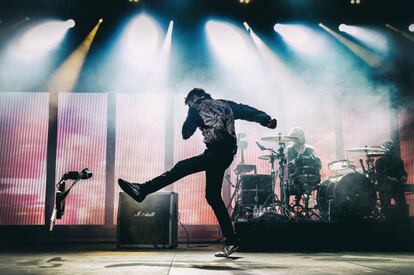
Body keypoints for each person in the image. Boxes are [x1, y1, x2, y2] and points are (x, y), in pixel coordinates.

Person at [118, 88, 277, 257]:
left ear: (193, 99)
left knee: (181, 167)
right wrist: (265, 120)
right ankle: (232, 240)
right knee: (212, 196)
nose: (189, 106)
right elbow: (247, 111)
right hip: (225, 154)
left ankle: (143, 189)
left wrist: (192, 114)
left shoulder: (196, 108)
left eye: (188, 103)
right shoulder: (226, 104)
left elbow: (186, 133)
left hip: (216, 154)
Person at [286, 127, 321, 212]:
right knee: (285, 185)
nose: (303, 137)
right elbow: (286, 167)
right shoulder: (288, 150)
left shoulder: (310, 149)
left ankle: (318, 206)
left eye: (303, 135)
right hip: (294, 180)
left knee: (321, 185)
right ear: (294, 138)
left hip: (310, 179)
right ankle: (287, 210)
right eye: (300, 135)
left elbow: (318, 165)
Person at [375, 140, 409, 220]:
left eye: (392, 149)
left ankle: (403, 222)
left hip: (397, 187)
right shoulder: (379, 162)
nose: (392, 151)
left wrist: (403, 177)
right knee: (386, 208)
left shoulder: (398, 160)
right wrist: (390, 178)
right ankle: (387, 221)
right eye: (391, 149)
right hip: (385, 187)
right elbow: (379, 175)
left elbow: (402, 171)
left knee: (402, 206)